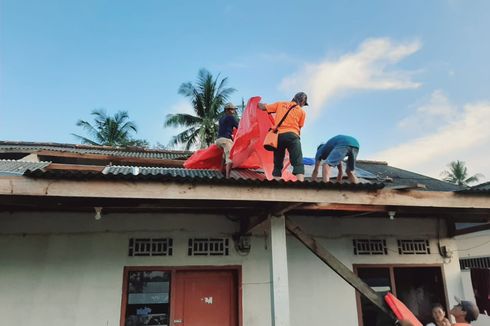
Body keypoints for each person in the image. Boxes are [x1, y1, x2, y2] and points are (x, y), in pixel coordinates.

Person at [258, 92, 307, 181]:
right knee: (298, 161)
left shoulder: (280, 104)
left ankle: (276, 183)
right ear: (302, 102)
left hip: (279, 137)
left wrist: (256, 103)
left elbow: (263, 107)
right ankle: (301, 183)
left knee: (278, 162)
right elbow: (299, 127)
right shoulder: (302, 112)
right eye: (304, 103)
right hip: (293, 136)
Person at [216, 103, 239, 178]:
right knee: (230, 159)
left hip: (219, 140)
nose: (234, 111)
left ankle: (220, 172)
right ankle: (227, 178)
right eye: (232, 110)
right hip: (226, 140)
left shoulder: (221, 119)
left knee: (224, 156)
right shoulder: (231, 117)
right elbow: (239, 126)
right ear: (228, 110)